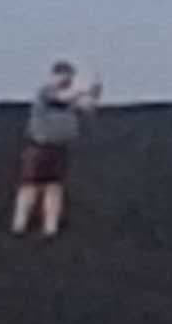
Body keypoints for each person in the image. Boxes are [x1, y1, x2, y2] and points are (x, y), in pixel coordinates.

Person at [10, 61, 103, 237]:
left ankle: (50, 227)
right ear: (53, 76)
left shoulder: (70, 99)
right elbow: (61, 98)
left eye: (69, 75)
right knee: (30, 186)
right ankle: (19, 224)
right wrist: (83, 89)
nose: (65, 79)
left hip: (59, 148)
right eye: (62, 75)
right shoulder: (45, 92)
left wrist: (95, 90)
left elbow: (89, 107)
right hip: (39, 147)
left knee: (54, 187)